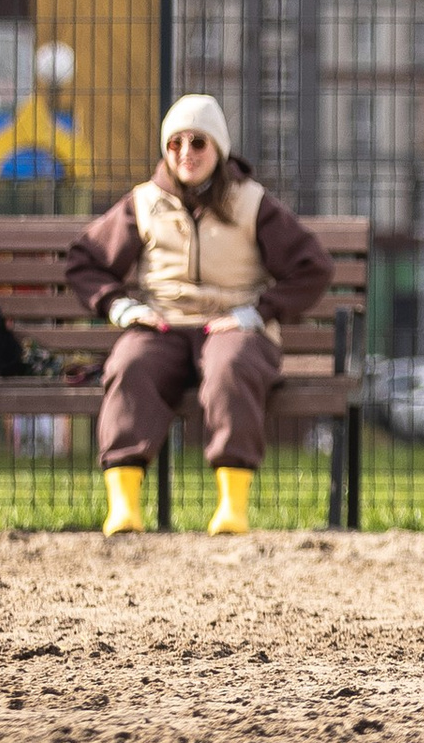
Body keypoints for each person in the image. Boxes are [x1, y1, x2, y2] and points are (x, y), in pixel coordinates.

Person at [71, 95, 330, 536]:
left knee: (232, 366)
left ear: (219, 149)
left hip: (233, 322)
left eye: (198, 143)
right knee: (130, 364)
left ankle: (232, 507)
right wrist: (121, 307)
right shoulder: (143, 202)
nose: (185, 154)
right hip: (165, 322)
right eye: (174, 144)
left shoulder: (253, 202)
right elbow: (86, 261)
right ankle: (124, 506)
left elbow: (313, 267)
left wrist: (258, 312)